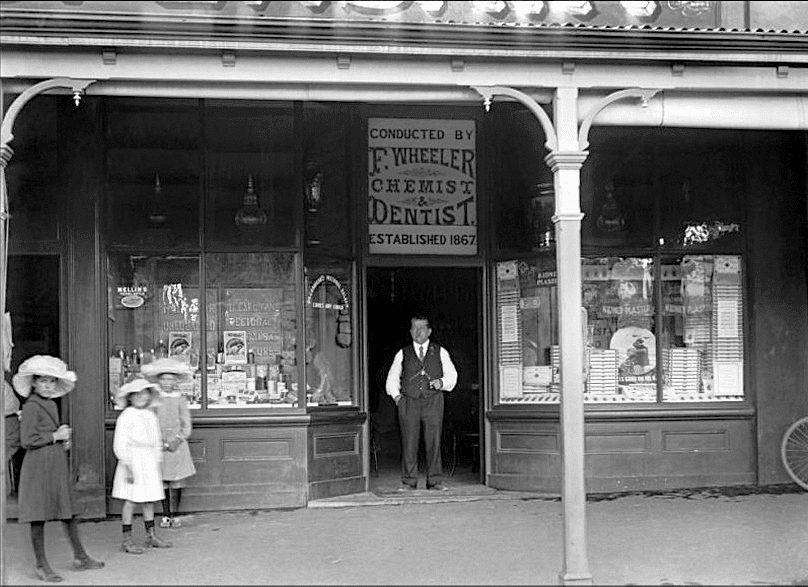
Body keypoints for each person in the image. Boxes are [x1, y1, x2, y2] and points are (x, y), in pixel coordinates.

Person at [12, 355, 104, 582]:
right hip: (38, 467)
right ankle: (41, 565)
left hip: (54, 464)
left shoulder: (50, 403)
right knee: (38, 515)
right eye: (42, 381)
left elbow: (47, 435)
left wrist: (63, 439)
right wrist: (55, 436)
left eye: (51, 381)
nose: (47, 385)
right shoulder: (32, 406)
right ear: (33, 383)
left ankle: (80, 556)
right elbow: (27, 440)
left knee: (68, 511)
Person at [385, 313, 457, 491]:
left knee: (434, 441)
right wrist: (397, 397)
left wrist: (441, 382)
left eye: (423, 327)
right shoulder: (403, 353)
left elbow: (452, 375)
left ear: (429, 331)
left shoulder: (440, 351)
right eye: (415, 328)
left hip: (433, 401)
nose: (419, 331)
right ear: (410, 331)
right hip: (409, 402)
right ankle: (409, 481)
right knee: (409, 442)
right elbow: (392, 377)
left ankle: (435, 481)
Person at [112, 377, 173, 554]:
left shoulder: (150, 416)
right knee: (131, 500)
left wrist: (158, 461)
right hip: (132, 460)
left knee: (149, 499)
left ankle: (150, 535)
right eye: (136, 394)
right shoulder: (126, 416)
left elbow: (156, 441)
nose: (140, 397)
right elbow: (120, 443)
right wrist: (127, 465)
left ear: (149, 396)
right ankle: (126, 539)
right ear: (130, 397)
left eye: (144, 393)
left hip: (148, 460)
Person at [141, 357, 196, 528]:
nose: (167, 383)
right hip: (160, 442)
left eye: (170, 379)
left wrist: (179, 438)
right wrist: (160, 441)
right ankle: (165, 513)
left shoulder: (180, 399)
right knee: (163, 479)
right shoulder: (155, 399)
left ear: (176, 381)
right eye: (163, 379)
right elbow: (150, 420)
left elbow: (186, 422)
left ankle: (175, 513)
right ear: (158, 380)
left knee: (177, 479)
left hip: (177, 443)